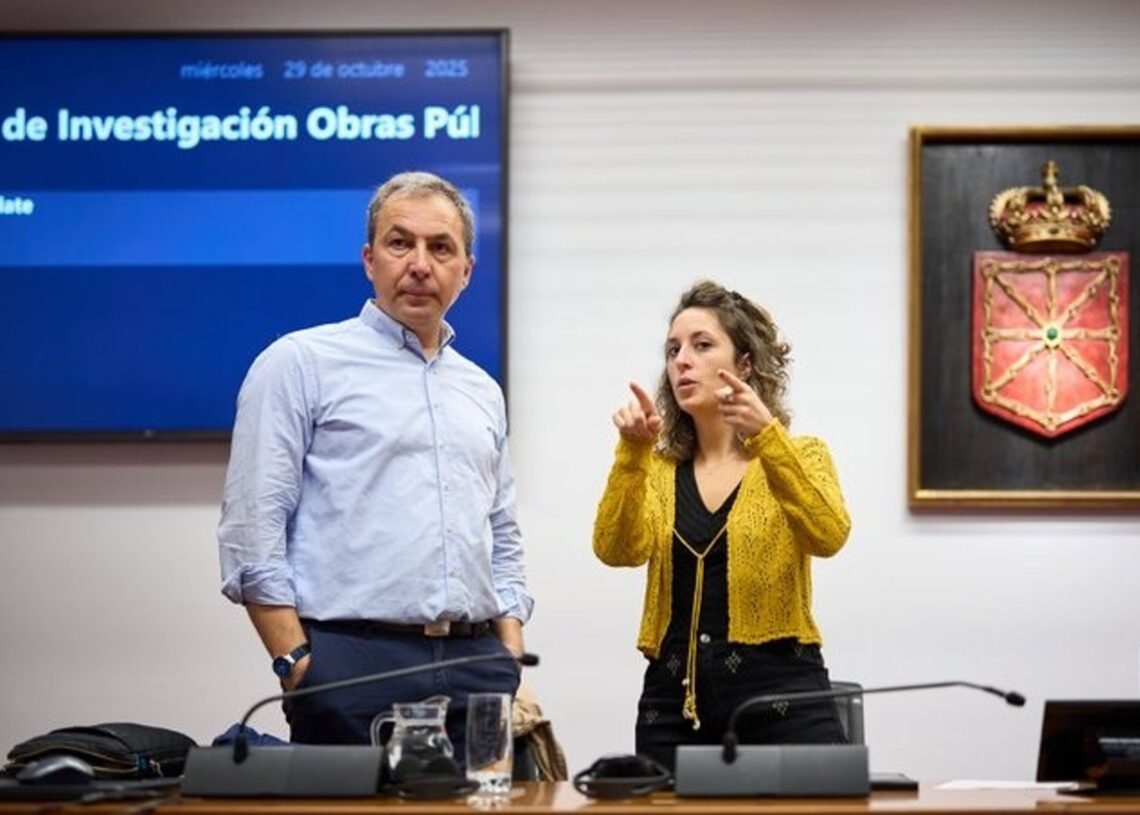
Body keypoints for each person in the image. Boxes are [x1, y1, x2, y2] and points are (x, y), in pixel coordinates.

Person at [217, 171, 532, 759]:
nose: (419, 264)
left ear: (465, 270)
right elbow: (251, 531)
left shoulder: (482, 390)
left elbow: (502, 533)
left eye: (441, 248)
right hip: (351, 668)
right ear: (369, 259)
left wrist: (508, 651)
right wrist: (297, 663)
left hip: (475, 667)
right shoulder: (300, 363)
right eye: (399, 243)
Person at [592, 280, 851, 772]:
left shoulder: (801, 455)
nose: (680, 361)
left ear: (745, 365)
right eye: (673, 350)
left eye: (701, 345)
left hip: (782, 703)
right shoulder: (658, 470)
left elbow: (829, 533)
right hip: (673, 707)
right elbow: (614, 548)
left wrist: (768, 439)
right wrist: (632, 454)